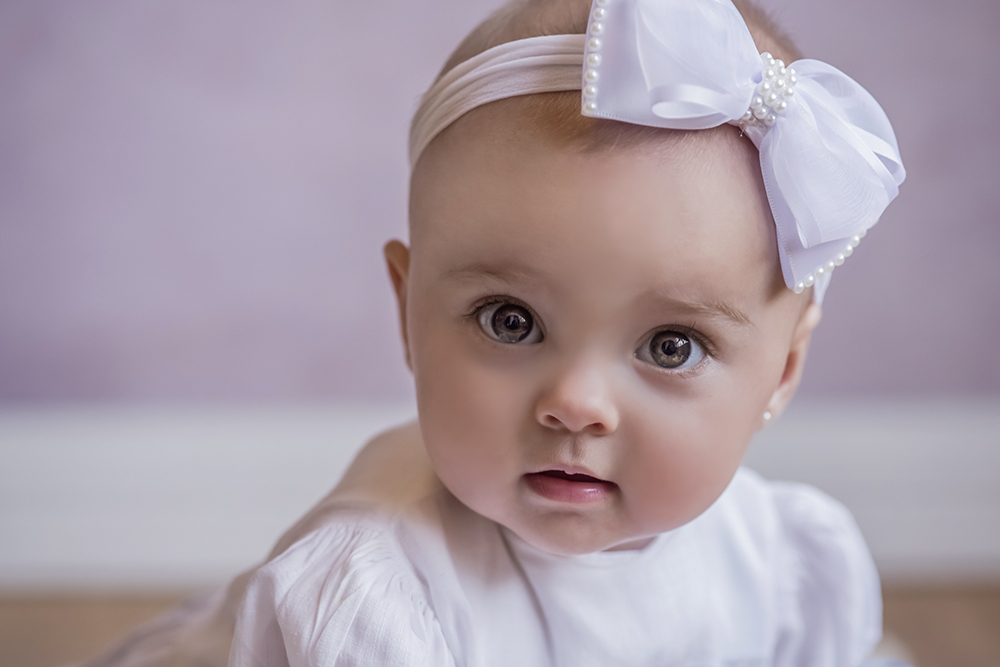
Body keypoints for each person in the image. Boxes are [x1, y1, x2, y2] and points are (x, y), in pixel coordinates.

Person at [87, 0, 907, 665]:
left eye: (671, 345)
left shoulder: (784, 561)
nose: (577, 403)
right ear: (409, 312)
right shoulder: (372, 596)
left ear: (785, 369)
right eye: (511, 321)